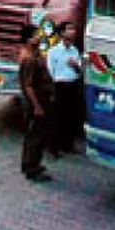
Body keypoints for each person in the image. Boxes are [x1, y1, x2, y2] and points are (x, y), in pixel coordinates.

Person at [18, 25, 55, 180]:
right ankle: (31, 168)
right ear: (28, 40)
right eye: (35, 36)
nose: (39, 37)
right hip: (36, 101)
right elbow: (28, 86)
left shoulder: (35, 53)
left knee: (37, 134)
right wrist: (37, 106)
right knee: (35, 136)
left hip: (42, 98)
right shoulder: (29, 59)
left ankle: (32, 164)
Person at [48, 24, 83, 155]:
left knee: (71, 116)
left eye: (74, 30)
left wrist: (75, 66)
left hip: (72, 86)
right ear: (62, 34)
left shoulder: (75, 51)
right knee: (57, 117)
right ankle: (54, 147)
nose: (72, 32)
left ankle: (68, 144)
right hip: (59, 86)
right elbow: (50, 71)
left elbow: (79, 71)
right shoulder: (54, 51)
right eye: (69, 30)